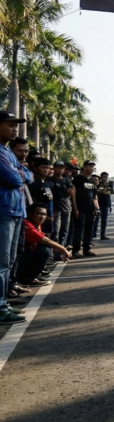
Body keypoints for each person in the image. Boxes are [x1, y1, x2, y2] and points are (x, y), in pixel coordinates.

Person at [0, 111, 30, 323]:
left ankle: (3, 302)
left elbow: (27, 175)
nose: (15, 128)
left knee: (8, 261)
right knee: (1, 262)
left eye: (16, 125)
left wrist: (20, 174)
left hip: (15, 211)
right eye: (10, 125)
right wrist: (19, 174)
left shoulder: (7, 152)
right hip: (3, 211)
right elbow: (14, 177)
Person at [16, 202, 70, 288]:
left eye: (44, 214)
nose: (42, 217)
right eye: (39, 214)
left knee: (47, 247)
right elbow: (44, 240)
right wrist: (62, 249)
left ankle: (33, 276)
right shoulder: (26, 223)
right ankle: (27, 279)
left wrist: (56, 247)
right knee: (45, 250)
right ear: (30, 214)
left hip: (27, 253)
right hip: (19, 257)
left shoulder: (37, 224)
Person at [71, 160, 99, 258]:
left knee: (89, 230)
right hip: (80, 208)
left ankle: (86, 249)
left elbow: (94, 195)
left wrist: (96, 207)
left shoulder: (91, 180)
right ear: (85, 167)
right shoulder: (77, 179)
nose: (92, 168)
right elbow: (73, 194)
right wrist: (75, 208)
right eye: (90, 166)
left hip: (90, 209)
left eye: (93, 167)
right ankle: (76, 250)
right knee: (79, 230)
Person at [48, 161, 72, 250]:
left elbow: (71, 189)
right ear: (54, 168)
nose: (60, 170)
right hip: (56, 208)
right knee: (55, 232)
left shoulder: (66, 179)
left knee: (64, 231)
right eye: (58, 167)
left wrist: (70, 190)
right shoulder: (50, 180)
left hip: (67, 208)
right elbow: (49, 195)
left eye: (62, 168)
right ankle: (55, 251)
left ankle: (61, 250)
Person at [95, 171, 114, 240]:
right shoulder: (98, 184)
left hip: (106, 204)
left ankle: (103, 235)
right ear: (101, 177)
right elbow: (100, 191)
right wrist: (105, 189)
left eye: (106, 177)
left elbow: (109, 194)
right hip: (99, 204)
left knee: (104, 220)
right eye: (104, 177)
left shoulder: (109, 184)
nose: (105, 179)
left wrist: (110, 205)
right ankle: (94, 235)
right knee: (96, 219)